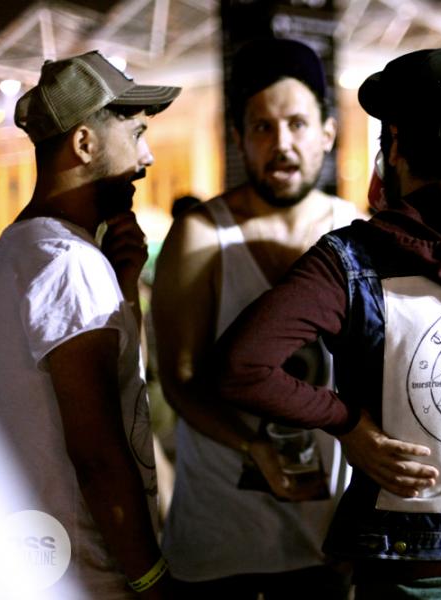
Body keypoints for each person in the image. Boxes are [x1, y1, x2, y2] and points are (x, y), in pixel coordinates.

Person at [213, 46, 441, 599]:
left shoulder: (349, 260)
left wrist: (346, 422)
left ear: (393, 144)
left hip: (407, 572)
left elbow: (239, 366)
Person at [151, 37, 362, 597]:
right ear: (239, 138)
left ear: (327, 133)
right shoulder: (202, 235)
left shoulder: (354, 231)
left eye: (297, 124)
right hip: (224, 537)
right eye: (263, 127)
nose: (281, 144)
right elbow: (180, 378)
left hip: (327, 537)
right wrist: (255, 448)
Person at [0, 51, 180, 598]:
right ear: (85, 143)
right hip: (85, 574)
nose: (147, 157)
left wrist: (126, 287)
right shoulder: (68, 262)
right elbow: (98, 453)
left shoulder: (12, 253)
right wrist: (150, 577)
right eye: (136, 134)